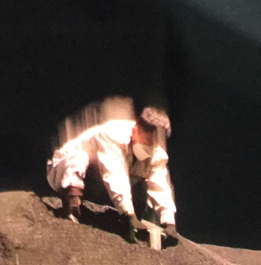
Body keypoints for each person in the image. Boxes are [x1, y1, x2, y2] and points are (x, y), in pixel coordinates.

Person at [47, 98, 178, 244]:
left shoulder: (156, 151)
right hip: (66, 172)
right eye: (147, 141)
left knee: (142, 183)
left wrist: (169, 222)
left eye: (154, 141)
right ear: (135, 130)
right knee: (79, 157)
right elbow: (114, 173)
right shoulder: (112, 134)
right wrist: (129, 214)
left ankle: (127, 222)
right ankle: (72, 210)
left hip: (100, 187)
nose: (151, 146)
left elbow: (159, 183)